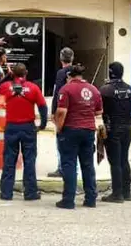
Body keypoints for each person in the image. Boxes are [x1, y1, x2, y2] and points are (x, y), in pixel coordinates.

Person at [54, 63, 102, 209]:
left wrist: (58, 128)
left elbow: (61, 112)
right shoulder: (94, 89)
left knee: (69, 164)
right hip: (88, 131)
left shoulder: (66, 89)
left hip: (70, 130)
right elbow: (99, 112)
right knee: (87, 165)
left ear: (69, 76)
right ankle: (90, 199)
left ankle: (68, 200)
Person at [0, 63, 47, 201]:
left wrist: (8, 75)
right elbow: (43, 107)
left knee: (9, 160)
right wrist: (42, 124)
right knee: (29, 160)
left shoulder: (6, 87)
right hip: (28, 128)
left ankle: (6, 193)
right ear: (26, 73)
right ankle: (30, 192)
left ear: (14, 73)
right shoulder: (33, 88)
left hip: (11, 127)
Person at [100, 62, 131, 203]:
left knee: (115, 161)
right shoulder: (130, 89)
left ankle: (117, 194)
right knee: (124, 159)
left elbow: (101, 109)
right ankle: (127, 193)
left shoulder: (105, 90)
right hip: (127, 127)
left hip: (113, 128)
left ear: (110, 72)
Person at [47, 47, 74, 178]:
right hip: (74, 111)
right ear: (72, 58)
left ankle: (62, 167)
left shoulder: (61, 73)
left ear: (60, 58)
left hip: (62, 110)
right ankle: (71, 167)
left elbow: (57, 93)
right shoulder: (77, 72)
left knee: (61, 138)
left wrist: (53, 112)